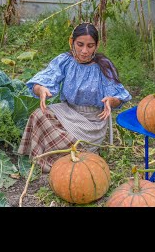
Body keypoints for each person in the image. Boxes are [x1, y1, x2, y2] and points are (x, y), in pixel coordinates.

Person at [18, 22, 132, 172]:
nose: (84, 51)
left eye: (90, 46)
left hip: (93, 121)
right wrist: (41, 89)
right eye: (80, 44)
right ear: (72, 42)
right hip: (69, 111)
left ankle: (76, 156)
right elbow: (42, 81)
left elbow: (119, 97)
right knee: (39, 115)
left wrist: (111, 101)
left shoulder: (103, 66)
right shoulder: (65, 61)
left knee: (68, 140)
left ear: (96, 46)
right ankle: (56, 157)